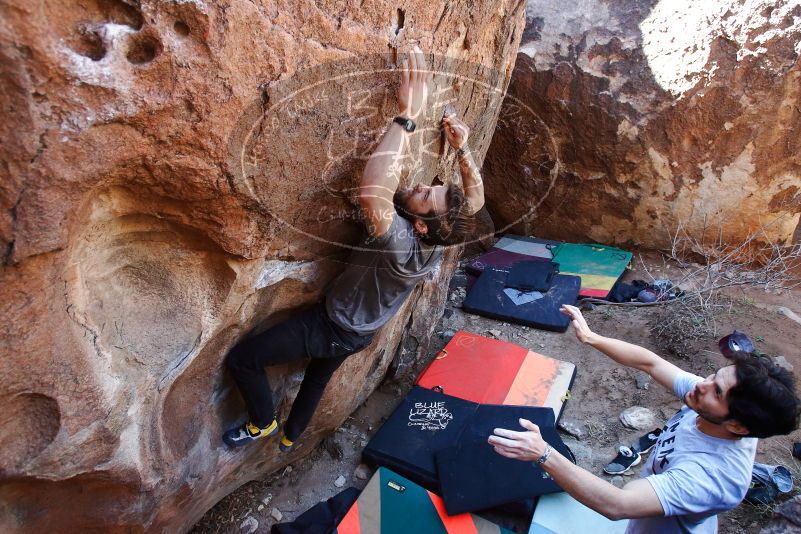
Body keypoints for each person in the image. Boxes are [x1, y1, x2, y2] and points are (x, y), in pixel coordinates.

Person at [224, 46, 484, 451]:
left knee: (244, 359)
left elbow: (372, 192)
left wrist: (408, 116)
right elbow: (477, 201)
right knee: (318, 377)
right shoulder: (444, 235)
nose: (421, 185)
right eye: (431, 186)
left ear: (417, 225)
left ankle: (263, 423)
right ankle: (292, 438)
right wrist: (462, 149)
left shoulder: (398, 244)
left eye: (426, 196)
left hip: (335, 327)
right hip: (363, 329)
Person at [489, 304, 800, 533]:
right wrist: (590, 337)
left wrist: (543, 453)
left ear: (738, 426)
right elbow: (651, 363)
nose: (700, 384)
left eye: (716, 391)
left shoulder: (712, 477)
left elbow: (617, 505)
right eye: (712, 376)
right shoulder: (709, 401)